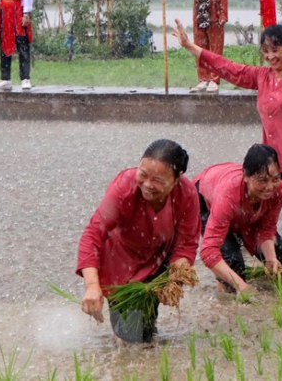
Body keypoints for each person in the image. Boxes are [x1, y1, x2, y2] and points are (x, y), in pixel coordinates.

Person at [172, 20, 282, 253]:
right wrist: (190, 47)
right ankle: (262, 250)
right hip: (273, 164)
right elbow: (227, 67)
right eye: (266, 51)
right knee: (255, 206)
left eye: (275, 50)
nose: (270, 56)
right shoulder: (262, 76)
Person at [76, 139, 201, 343]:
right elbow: (93, 235)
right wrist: (92, 285)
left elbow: (186, 244)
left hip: (159, 258)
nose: (148, 185)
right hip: (120, 261)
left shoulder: (187, 194)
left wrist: (175, 279)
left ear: (178, 178)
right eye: (143, 174)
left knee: (146, 331)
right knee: (128, 334)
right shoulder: (124, 187)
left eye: (159, 180)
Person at [194, 144, 282, 294]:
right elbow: (208, 252)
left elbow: (266, 229)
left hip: (242, 205)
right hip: (205, 198)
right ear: (246, 176)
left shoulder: (278, 190)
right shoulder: (228, 196)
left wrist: (271, 259)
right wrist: (241, 286)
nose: (269, 187)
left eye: (275, 178)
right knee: (232, 261)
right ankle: (223, 295)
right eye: (262, 180)